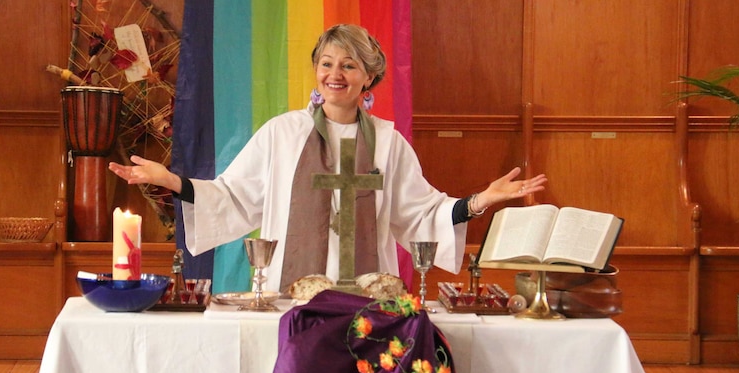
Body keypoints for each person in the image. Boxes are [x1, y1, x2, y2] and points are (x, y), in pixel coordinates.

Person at [110, 24, 546, 293]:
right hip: (291, 295)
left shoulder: (388, 142)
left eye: (349, 66)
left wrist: (480, 200)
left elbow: (422, 211)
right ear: (317, 69)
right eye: (326, 63)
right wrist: (173, 182)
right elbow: (234, 196)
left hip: (368, 296)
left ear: (369, 76)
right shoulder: (283, 133)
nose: (335, 75)